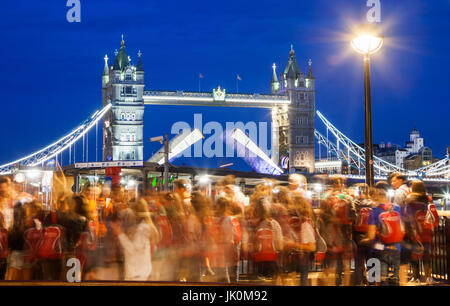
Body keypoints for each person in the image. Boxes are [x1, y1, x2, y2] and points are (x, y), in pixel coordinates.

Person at [364, 181, 404, 286]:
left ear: (376, 194)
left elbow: (371, 235)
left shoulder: (374, 211)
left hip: (380, 249)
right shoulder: (397, 208)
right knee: (395, 279)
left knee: (382, 279)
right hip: (396, 249)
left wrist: (365, 240)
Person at [111, 198, 159, 281]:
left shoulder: (143, 228)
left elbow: (132, 249)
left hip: (137, 275)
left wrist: (120, 233)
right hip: (138, 273)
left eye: (131, 211)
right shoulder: (141, 227)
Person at [405, 180, 438, 285]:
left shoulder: (409, 198)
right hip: (427, 230)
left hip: (414, 230)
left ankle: (416, 277)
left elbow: (407, 215)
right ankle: (428, 277)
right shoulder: (428, 198)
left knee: (414, 254)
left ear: (413, 188)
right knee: (426, 255)